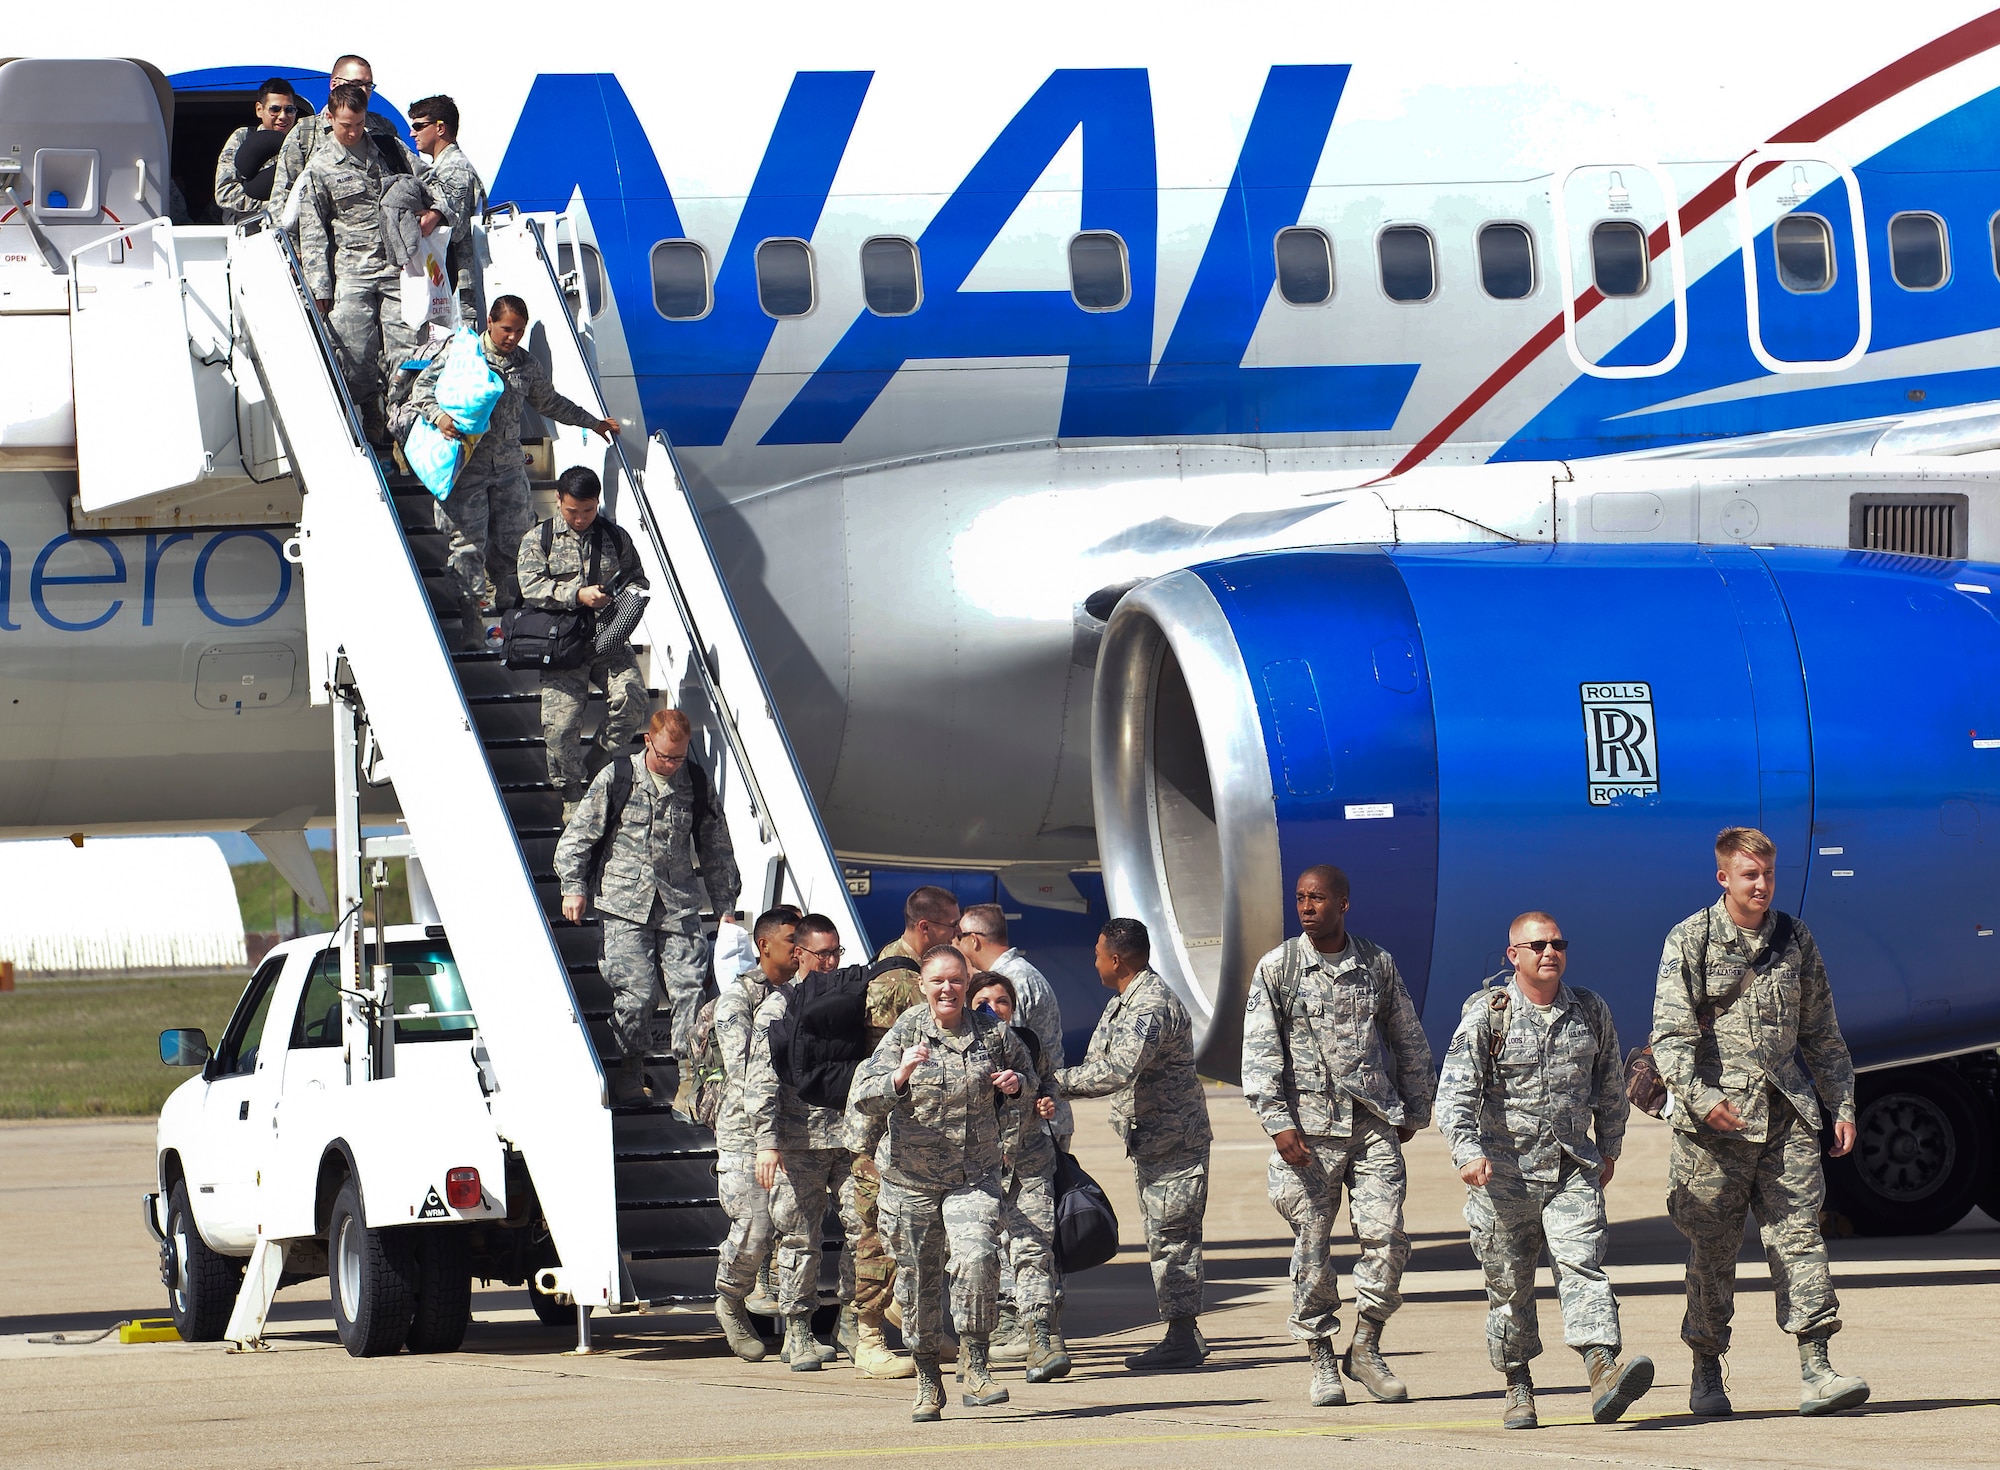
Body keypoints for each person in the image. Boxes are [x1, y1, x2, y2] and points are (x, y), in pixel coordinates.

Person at [1652, 826, 1866, 1418]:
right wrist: (1702, 1101)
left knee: (1799, 1236)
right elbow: (1669, 1039)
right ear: (1724, 877)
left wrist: (1842, 1105)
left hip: (1785, 1117)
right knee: (1713, 1252)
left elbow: (1822, 1033)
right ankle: (1706, 1367)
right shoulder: (1691, 939)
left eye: (1768, 873)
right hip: (1714, 1130)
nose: (1762, 885)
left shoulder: (1795, 938)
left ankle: (1817, 1367)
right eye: (1750, 875)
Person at [1436, 912, 1651, 1430]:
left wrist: (1610, 1148)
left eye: (1557, 943)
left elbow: (1609, 1085)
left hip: (1571, 1168)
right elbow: (1455, 1093)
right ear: (1514, 956)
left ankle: (1602, 1371)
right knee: (1510, 1290)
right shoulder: (1489, 1015)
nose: (1549, 952)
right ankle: (1518, 1385)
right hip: (1502, 1177)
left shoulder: (1590, 1010)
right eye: (1537, 945)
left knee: (1582, 1266)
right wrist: (1467, 1153)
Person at [1239, 865, 1435, 1407]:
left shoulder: (1375, 963)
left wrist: (1415, 1108)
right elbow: (1259, 1051)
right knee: (1312, 1247)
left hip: (1372, 1123)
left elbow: (1406, 1035)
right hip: (1308, 1133)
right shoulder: (1279, 967)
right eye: (1301, 898)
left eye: (1318, 898)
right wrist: (1278, 1122)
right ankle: (1322, 1358)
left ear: (1343, 903)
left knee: (1387, 1237)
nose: (1307, 907)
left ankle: (1366, 1345)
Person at [851, 946, 1037, 1422]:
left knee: (977, 1258)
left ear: (967, 983)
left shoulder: (993, 1033)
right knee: (918, 1281)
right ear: (923, 985)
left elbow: (1034, 1080)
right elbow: (863, 1096)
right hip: (910, 1181)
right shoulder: (906, 1031)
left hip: (972, 1176)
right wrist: (899, 1075)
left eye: (956, 980)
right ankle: (928, 1378)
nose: (947, 989)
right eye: (937, 981)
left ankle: (975, 1364)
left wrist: (1016, 1084)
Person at [407, 294, 619, 649]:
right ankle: (472, 619)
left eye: (519, 331)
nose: (513, 337)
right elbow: (421, 390)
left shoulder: (525, 365)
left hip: (507, 467)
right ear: (490, 322)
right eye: (507, 329)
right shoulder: (463, 354)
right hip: (465, 468)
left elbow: (550, 402)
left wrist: (593, 423)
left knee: (517, 539)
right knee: (467, 546)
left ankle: (501, 593)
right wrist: (439, 417)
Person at [553, 708, 739, 1103]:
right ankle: (631, 1067)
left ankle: (690, 1079)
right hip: (624, 905)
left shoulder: (695, 782)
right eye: (665, 756)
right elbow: (577, 838)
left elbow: (716, 848)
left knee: (690, 990)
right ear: (648, 741)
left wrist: (725, 906)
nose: (671, 765)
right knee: (637, 997)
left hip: (678, 904)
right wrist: (573, 886)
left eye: (679, 757)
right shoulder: (617, 777)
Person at [1052, 917, 1212, 1371]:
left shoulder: (1150, 1005)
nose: (1095, 962)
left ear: (1117, 960)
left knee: (1174, 1238)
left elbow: (1116, 1070)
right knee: (1164, 1236)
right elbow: (1097, 1062)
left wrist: (1050, 1085)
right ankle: (1183, 1333)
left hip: (1175, 1143)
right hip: (1154, 1141)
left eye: (1098, 954)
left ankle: (1182, 1337)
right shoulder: (1124, 1002)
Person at [298, 83, 447, 450]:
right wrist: (320, 288)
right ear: (330, 118)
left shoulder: (388, 149)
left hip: (400, 269)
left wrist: (436, 213)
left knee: (408, 352)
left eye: (359, 124)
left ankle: (408, 433)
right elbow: (312, 230)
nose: (352, 132)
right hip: (352, 272)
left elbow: (432, 183)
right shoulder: (320, 166)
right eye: (345, 125)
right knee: (354, 355)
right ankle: (368, 425)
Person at [956, 902, 1073, 1363]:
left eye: (1001, 1002)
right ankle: (1000, 1329)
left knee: (1032, 1244)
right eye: (982, 1003)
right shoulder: (958, 1049)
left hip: (1029, 1156)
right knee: (987, 1250)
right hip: (980, 1166)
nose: (993, 1009)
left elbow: (1048, 1083)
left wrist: (1039, 1099)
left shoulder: (1027, 1042)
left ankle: (1042, 1333)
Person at [748, 912, 853, 1372]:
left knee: (865, 1230)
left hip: (849, 1140)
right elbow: (760, 1082)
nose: (830, 962)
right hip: (799, 1141)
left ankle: (854, 1320)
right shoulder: (779, 1009)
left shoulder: (851, 1002)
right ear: (799, 954)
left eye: (836, 952)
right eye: (822, 953)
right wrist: (767, 1142)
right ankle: (798, 1331)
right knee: (799, 1238)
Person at [516, 466, 650, 821]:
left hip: (607, 638)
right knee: (561, 727)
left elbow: (637, 577)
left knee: (633, 699)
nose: (579, 518)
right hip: (562, 644)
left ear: (597, 503)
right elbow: (531, 588)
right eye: (572, 510)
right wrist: (577, 594)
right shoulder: (539, 539)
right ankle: (571, 794)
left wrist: (623, 596)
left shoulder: (615, 537)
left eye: (588, 510)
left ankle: (598, 762)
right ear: (558, 500)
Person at [710, 908, 798, 1362]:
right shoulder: (738, 1000)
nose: (800, 948)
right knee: (754, 1226)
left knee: (797, 1226)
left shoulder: (805, 992)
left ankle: (803, 1325)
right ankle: (730, 1298)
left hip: (798, 1127)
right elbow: (745, 1072)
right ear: (764, 945)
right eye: (791, 939)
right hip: (746, 1133)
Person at [270, 54, 421, 217]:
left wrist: (432, 212)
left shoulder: (383, 128)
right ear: (334, 85)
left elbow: (414, 176)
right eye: (356, 84)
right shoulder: (305, 134)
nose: (364, 91)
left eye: (368, 85)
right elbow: (282, 198)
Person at [406, 93, 486, 325]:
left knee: (458, 346)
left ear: (440, 128)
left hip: (456, 287)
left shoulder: (455, 169)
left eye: (419, 126)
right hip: (443, 284)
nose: (412, 133)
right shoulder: (441, 167)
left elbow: (447, 228)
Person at [213, 80, 297, 223]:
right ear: (259, 109)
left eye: (289, 110)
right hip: (249, 232)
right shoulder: (243, 138)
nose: (283, 116)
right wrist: (274, 207)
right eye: (275, 109)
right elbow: (225, 193)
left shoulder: (301, 144)